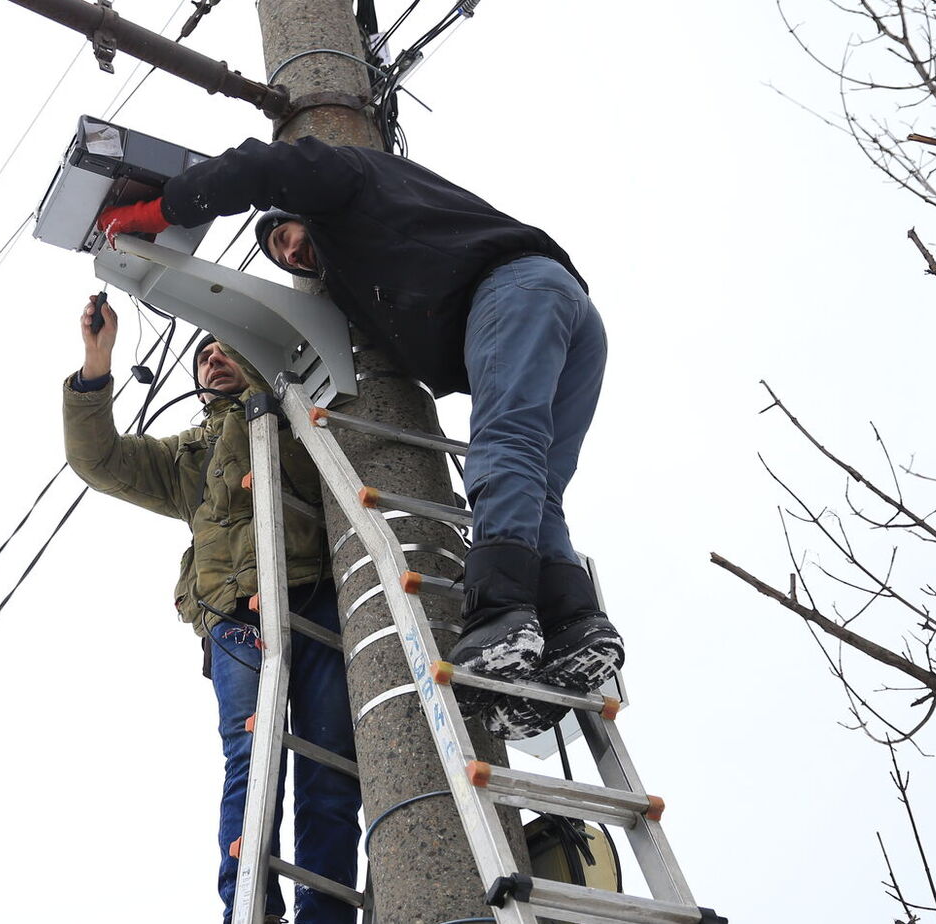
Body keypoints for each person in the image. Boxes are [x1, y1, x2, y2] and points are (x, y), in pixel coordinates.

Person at [96, 135, 623, 740]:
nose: (289, 252)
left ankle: (500, 614)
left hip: (511, 290)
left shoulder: (347, 183)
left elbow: (269, 167)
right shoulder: (372, 275)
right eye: (279, 256)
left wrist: (162, 212)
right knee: (539, 483)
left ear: (307, 211)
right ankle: (574, 623)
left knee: (501, 450)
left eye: (286, 234)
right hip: (567, 311)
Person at [62, 296, 359, 924]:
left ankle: (324, 914)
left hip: (316, 598)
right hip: (234, 619)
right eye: (204, 355)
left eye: (225, 346)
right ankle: (246, 910)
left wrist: (257, 368)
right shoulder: (188, 455)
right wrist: (97, 360)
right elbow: (101, 460)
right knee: (251, 760)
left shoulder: (298, 411)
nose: (214, 358)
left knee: (331, 765)